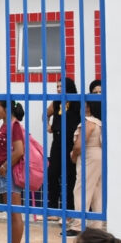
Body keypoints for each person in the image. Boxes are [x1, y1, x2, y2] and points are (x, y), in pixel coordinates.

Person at [0, 100, 26, 243]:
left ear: (7, 109)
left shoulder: (14, 126)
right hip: (3, 172)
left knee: (15, 214)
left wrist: (5, 166)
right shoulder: (6, 124)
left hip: (9, 172)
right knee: (11, 213)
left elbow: (19, 151)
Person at [68, 99, 103, 234]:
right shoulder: (99, 122)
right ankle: (96, 225)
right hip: (98, 156)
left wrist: (74, 155)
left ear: (89, 107)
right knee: (96, 191)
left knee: (81, 189)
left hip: (88, 156)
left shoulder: (88, 122)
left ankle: (78, 225)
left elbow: (79, 145)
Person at [47, 77, 81, 212]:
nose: (59, 89)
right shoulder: (57, 102)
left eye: (61, 86)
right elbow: (46, 114)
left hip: (72, 144)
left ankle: (70, 210)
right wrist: (48, 125)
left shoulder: (77, 102)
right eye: (57, 87)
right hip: (57, 142)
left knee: (71, 176)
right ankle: (53, 208)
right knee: (52, 174)